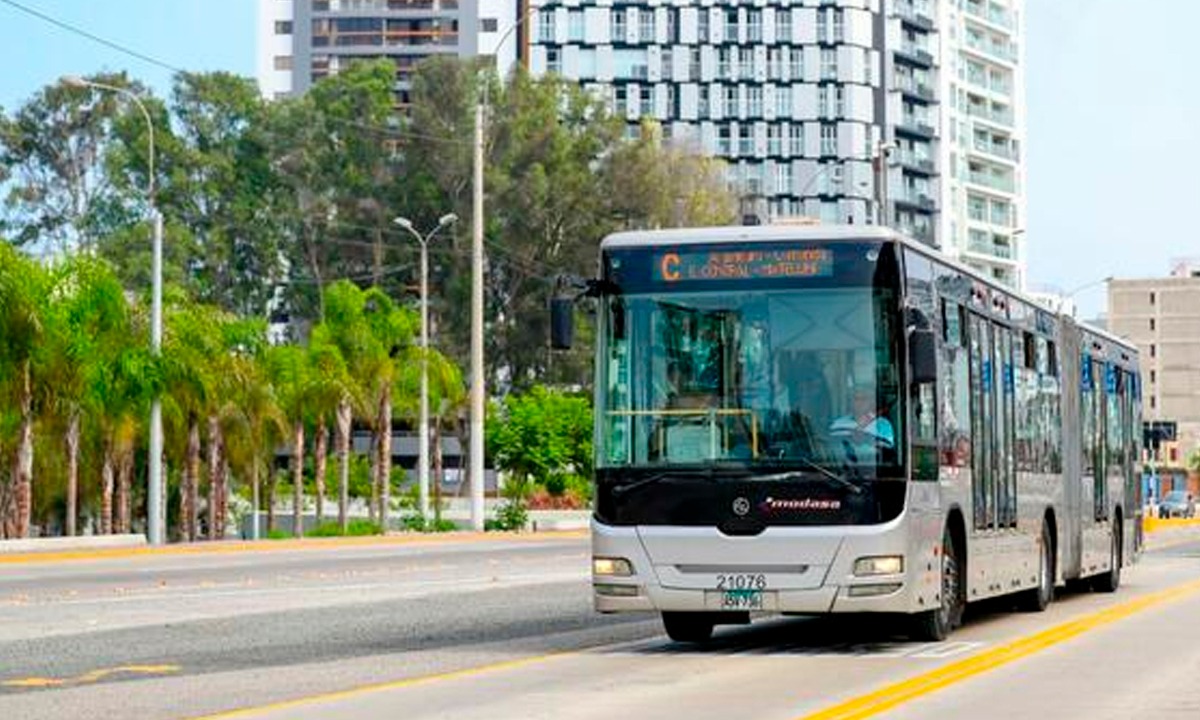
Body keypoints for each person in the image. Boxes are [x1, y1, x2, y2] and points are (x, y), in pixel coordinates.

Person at [829, 383, 895, 463]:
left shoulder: (882, 424)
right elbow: (832, 448)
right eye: (855, 399)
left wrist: (865, 439)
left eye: (863, 399)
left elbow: (887, 451)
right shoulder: (838, 424)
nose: (859, 402)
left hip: (874, 466)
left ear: (871, 402)